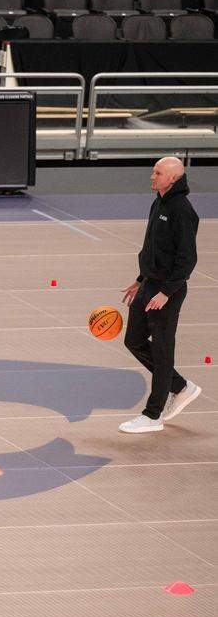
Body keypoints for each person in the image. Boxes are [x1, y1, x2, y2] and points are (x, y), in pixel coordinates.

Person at [118, 156, 201, 433]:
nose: (152, 177)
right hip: (149, 285)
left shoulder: (182, 210)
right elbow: (156, 248)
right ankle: (180, 386)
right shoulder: (159, 202)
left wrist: (166, 292)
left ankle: (153, 415)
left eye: (158, 173)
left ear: (173, 178)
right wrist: (140, 279)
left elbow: (187, 259)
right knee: (134, 340)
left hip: (168, 291)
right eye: (154, 171)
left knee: (163, 350)